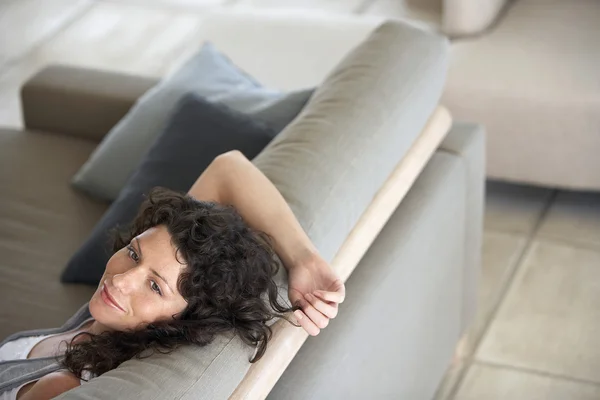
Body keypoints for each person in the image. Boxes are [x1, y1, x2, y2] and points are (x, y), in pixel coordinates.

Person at [0, 150, 345, 400]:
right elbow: (228, 168)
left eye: (154, 286)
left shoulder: (61, 386)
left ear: (184, 320)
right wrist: (305, 259)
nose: (121, 280)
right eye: (134, 253)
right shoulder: (108, 322)